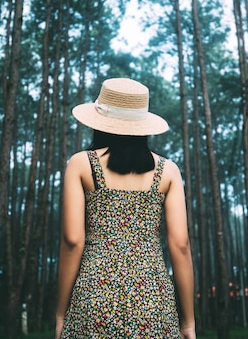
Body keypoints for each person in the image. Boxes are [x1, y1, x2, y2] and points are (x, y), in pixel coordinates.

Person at [55, 78, 196, 339]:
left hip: (94, 296)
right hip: (153, 299)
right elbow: (181, 246)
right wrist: (188, 323)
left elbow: (73, 241)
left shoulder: (81, 164)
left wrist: (61, 314)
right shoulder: (168, 171)